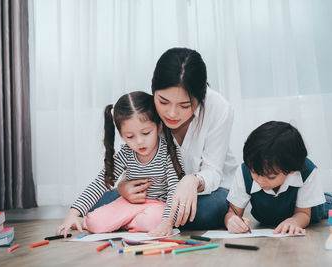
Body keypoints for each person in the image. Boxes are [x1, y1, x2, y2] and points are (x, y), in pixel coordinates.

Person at [57, 48, 237, 236]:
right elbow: (127, 168)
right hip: (152, 197)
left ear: (200, 98)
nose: (172, 114)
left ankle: (132, 220)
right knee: (102, 200)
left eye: (184, 105)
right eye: (164, 102)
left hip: (204, 192)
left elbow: (213, 171)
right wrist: (123, 187)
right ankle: (139, 219)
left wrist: (192, 181)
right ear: (153, 92)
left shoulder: (219, 109)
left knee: (212, 208)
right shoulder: (148, 113)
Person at [57, 91, 184, 237]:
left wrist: (167, 222)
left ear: (159, 127)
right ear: (122, 135)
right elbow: (99, 183)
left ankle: (121, 223)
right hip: (129, 204)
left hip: (158, 206)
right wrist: (72, 214)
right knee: (94, 223)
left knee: (156, 220)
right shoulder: (126, 153)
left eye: (146, 133)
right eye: (130, 136)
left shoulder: (169, 152)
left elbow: (175, 190)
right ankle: (121, 222)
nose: (139, 142)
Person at [224, 121, 332, 235]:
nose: (260, 180)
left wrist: (294, 221)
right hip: (275, 216)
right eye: (255, 172)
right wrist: (232, 221)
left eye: (270, 177)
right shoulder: (245, 171)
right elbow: (233, 211)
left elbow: (303, 213)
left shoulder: (306, 171)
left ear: (291, 170)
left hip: (311, 209)